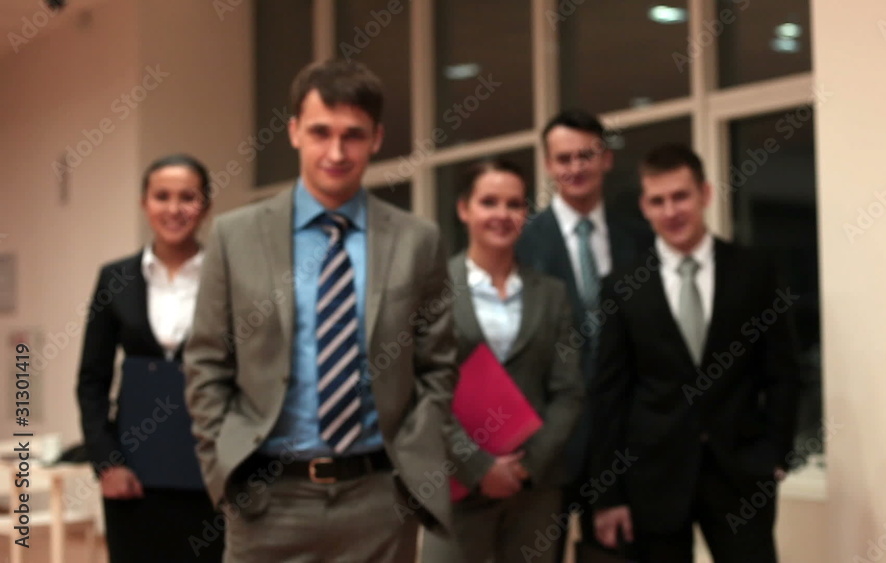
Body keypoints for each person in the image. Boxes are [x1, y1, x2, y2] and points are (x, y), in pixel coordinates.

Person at [183, 59, 457, 562]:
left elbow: (437, 366)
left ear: (376, 138)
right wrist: (222, 465)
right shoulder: (234, 236)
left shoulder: (418, 241)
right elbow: (206, 361)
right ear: (293, 133)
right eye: (320, 132)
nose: (336, 151)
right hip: (266, 500)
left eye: (353, 135)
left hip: (378, 501)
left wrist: (411, 467)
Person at [590, 143, 801, 562]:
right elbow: (609, 395)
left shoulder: (755, 270)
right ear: (644, 207)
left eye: (681, 196)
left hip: (741, 475)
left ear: (704, 194)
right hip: (653, 478)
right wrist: (607, 494)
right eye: (658, 200)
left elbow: (784, 372)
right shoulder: (622, 286)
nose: (671, 211)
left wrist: (775, 453)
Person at [422, 159, 584, 563]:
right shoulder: (432, 291)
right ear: (464, 209)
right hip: (456, 483)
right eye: (489, 202)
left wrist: (526, 466)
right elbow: (424, 390)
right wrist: (478, 466)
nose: (502, 214)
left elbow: (569, 390)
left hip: (534, 489)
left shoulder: (552, 294)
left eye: (514, 204)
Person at [515, 109, 652, 558]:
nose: (575, 168)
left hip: (622, 448)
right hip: (545, 448)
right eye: (564, 159)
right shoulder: (521, 243)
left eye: (585, 156)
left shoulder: (641, 239)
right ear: (549, 166)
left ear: (606, 159)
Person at [76, 154, 223, 562]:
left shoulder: (227, 277)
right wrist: (107, 463)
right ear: (145, 203)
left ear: (206, 206)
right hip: (134, 477)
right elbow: (92, 381)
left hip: (211, 475)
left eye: (187, 197)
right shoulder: (115, 279)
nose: (174, 209)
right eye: (162, 196)